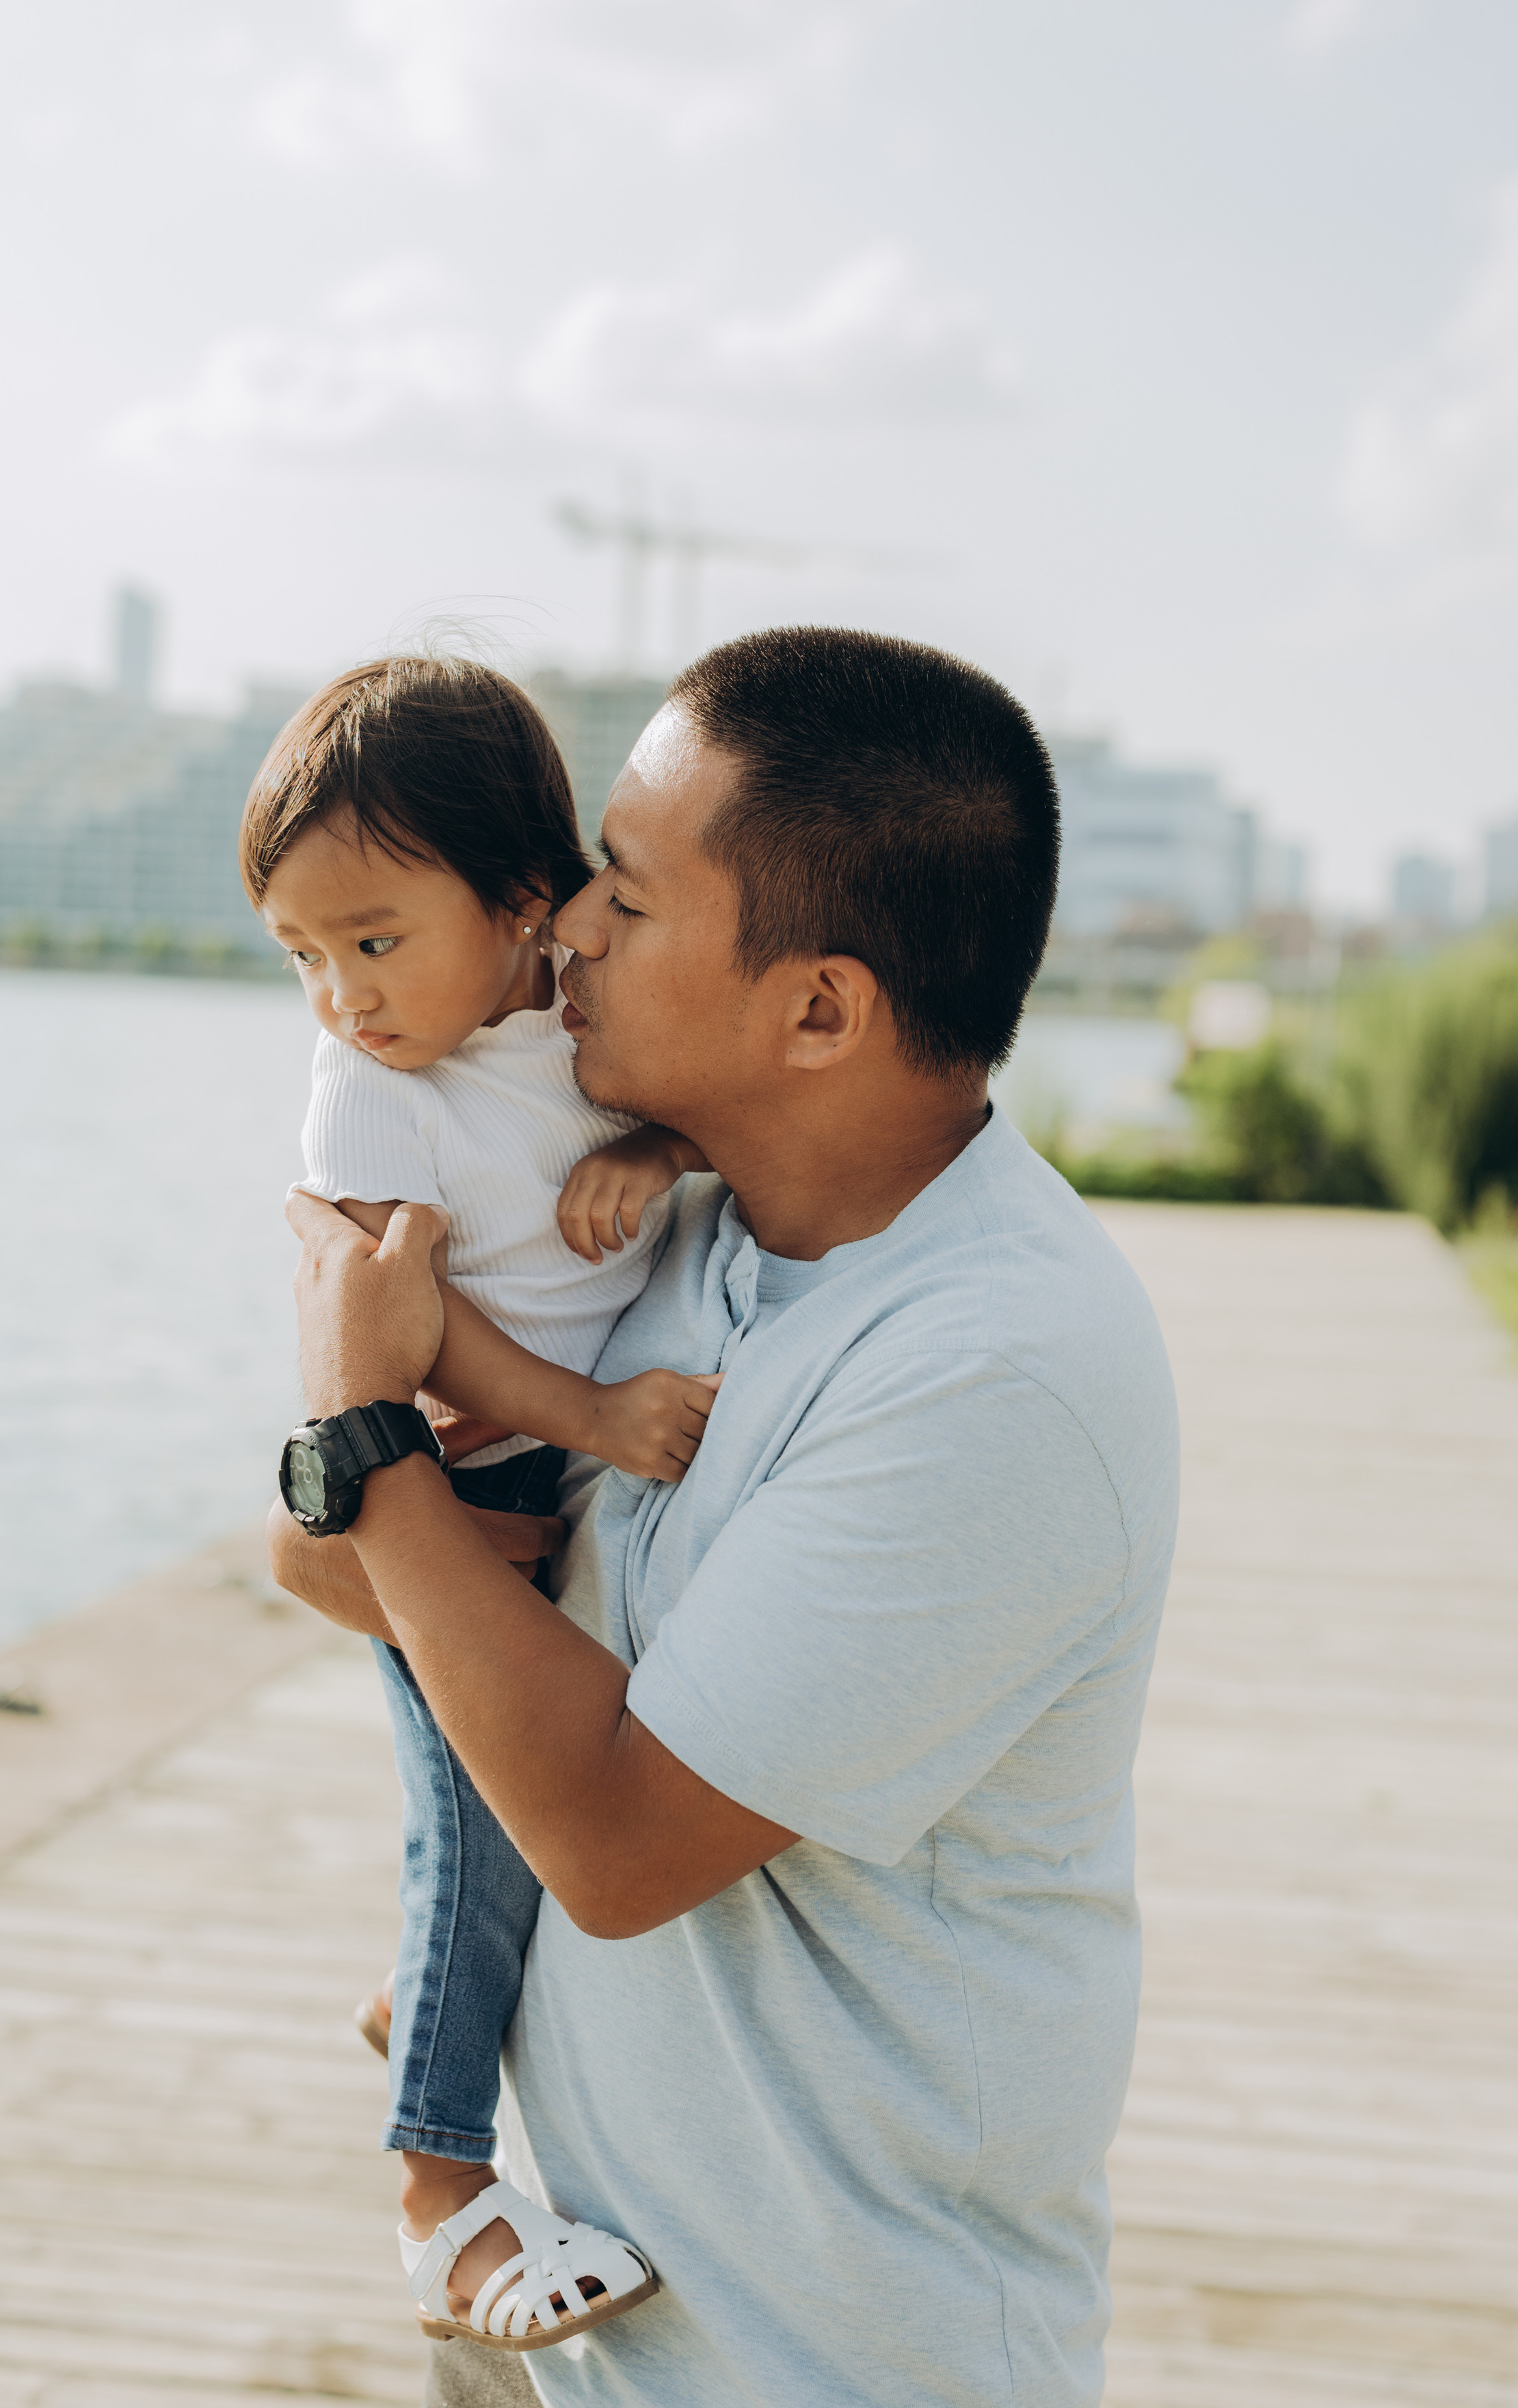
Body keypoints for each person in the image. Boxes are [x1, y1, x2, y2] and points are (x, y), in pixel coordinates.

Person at [270, 625, 1182, 2408]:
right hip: (603, 2328)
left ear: (820, 1008)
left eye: (627, 885)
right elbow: (323, 1565)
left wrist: (367, 1428)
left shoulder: (996, 1375)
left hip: (833, 2363)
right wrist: (364, 1461)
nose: (570, 931)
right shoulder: (684, 1240)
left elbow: (611, 1844)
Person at [243, 654, 723, 2353]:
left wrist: (647, 1160)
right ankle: (439, 2201)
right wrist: (587, 1408)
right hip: (450, 1483)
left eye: (374, 941)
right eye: (302, 956)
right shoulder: (376, 1088)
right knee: (474, 1824)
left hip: (565, 1475)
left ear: (529, 902)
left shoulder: (572, 1018)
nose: (340, 998)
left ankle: (418, 1996)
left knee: (518, 1825)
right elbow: (404, 1324)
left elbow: (692, 1114)